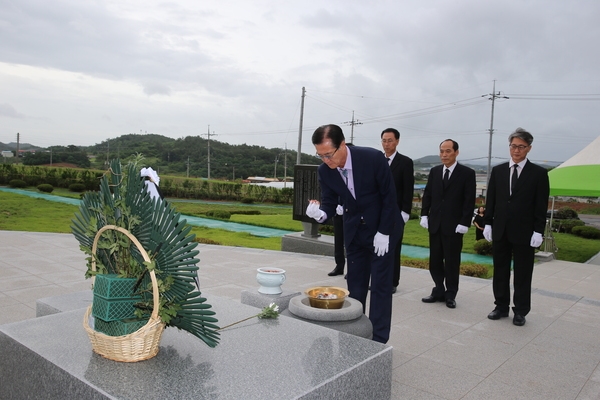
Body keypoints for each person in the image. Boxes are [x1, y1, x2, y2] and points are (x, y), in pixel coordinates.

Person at [305, 124, 402, 344]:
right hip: (355, 232)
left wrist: (384, 232)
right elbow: (330, 202)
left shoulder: (372, 158)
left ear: (342, 145)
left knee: (380, 287)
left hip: (383, 231)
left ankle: (377, 341)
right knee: (355, 287)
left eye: (328, 155)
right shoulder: (324, 170)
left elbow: (389, 197)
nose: (326, 161)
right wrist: (319, 214)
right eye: (320, 156)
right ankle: (356, 336)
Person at [483, 128, 549, 326]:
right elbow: (491, 200)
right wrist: (487, 223)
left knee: (522, 273)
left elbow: (540, 205)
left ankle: (520, 310)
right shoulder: (499, 170)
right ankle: (500, 306)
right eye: (513, 146)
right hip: (501, 229)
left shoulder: (538, 174)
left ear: (528, 148)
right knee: (500, 270)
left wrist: (539, 231)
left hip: (525, 231)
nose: (516, 150)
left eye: (521, 147)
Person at [420, 139, 476, 309]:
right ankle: (438, 289)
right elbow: (428, 194)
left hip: (454, 226)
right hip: (435, 224)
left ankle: (451, 294)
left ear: (456, 152)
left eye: (448, 151)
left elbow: (469, 200)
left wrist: (465, 222)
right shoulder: (435, 171)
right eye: (442, 151)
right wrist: (424, 214)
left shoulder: (467, 173)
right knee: (435, 261)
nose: (444, 155)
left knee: (452, 262)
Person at [381, 128, 414, 294]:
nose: (387, 144)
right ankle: (380, 278)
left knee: (393, 247)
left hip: (396, 212)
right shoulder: (377, 159)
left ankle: (393, 281)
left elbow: (408, 188)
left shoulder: (405, 162)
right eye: (384, 141)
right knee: (378, 247)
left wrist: (405, 211)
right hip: (379, 211)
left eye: (390, 140)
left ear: (397, 141)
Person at [328, 203, 346, 276]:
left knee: (350, 242)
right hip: (337, 211)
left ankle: (352, 269)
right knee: (338, 240)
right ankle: (339, 266)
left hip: (351, 211)